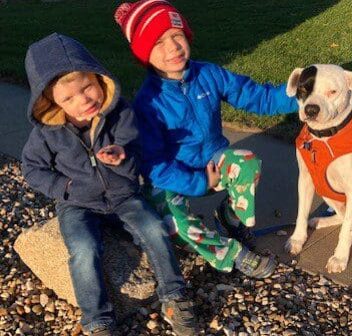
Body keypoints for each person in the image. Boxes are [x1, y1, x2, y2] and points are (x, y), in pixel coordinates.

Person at [21, 33, 198, 336]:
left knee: (154, 230)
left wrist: (122, 157)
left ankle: (174, 296)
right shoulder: (48, 132)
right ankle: (97, 319)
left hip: (123, 196)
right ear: (51, 102)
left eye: (87, 87)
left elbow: (137, 153)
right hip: (77, 203)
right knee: (84, 249)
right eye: (68, 98)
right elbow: (32, 168)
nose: (84, 100)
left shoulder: (121, 113)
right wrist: (64, 186)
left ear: (98, 78)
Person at [114, 0, 298, 279]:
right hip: (171, 177)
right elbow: (153, 165)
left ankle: (230, 217)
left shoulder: (208, 74)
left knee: (246, 163)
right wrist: (199, 183)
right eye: (158, 43)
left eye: (177, 36)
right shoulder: (148, 103)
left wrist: (298, 94)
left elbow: (255, 96)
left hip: (212, 159)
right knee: (174, 226)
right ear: (143, 54)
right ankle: (231, 253)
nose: (173, 48)